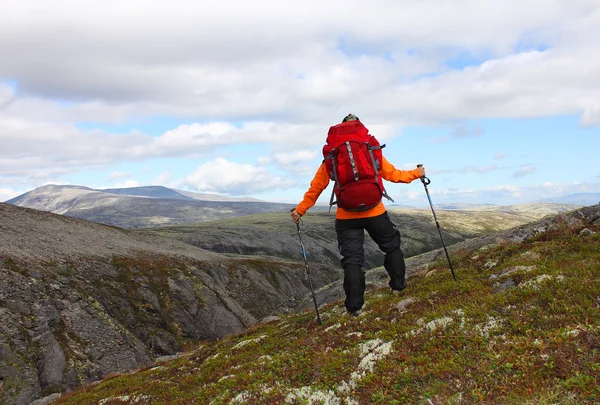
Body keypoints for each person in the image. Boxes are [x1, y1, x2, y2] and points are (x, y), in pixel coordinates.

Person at [290, 114, 425, 317]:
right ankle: (398, 286)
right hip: (375, 211)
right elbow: (394, 175)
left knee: (352, 260)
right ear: (359, 125)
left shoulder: (333, 153)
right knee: (392, 247)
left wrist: (300, 210)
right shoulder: (369, 148)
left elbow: (317, 187)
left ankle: (354, 307)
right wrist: (417, 173)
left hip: (346, 215)